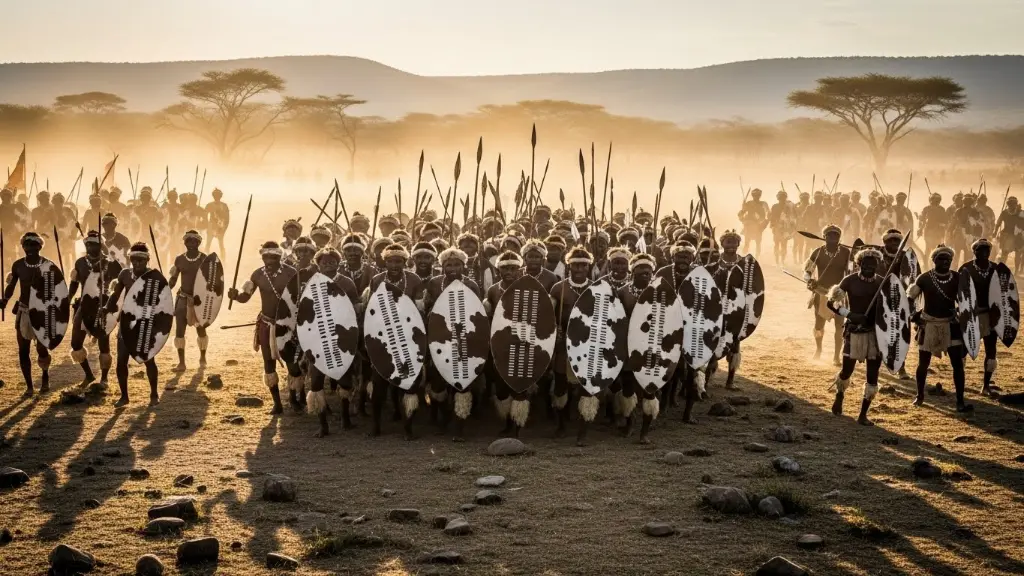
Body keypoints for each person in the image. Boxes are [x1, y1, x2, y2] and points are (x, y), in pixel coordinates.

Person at [227, 240, 300, 415]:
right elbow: (246, 297)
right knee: (269, 364)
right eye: (266, 256)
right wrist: (235, 296)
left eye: (273, 256)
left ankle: (293, 399)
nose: (269, 259)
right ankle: (277, 404)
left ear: (279, 256)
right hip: (266, 324)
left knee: (292, 363)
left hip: (287, 324)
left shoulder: (291, 273)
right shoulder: (257, 275)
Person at [364, 243, 423, 439]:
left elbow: (420, 311)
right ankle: (375, 424)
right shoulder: (376, 280)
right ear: (385, 261)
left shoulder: (414, 280)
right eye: (390, 261)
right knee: (379, 383)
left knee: (409, 384)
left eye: (398, 261)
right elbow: (371, 310)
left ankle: (408, 427)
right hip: (382, 338)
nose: (394, 265)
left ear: (405, 262)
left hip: (408, 338)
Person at [304, 246, 360, 437]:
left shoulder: (347, 283)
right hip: (318, 339)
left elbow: (356, 309)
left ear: (339, 262)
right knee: (317, 381)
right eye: (324, 262)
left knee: (344, 379)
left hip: (342, 338)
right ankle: (323, 425)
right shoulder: (311, 283)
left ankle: (345, 418)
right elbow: (304, 314)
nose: (329, 264)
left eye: (332, 261)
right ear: (317, 264)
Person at [908, 245, 971, 411]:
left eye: (948, 259)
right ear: (933, 260)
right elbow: (910, 299)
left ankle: (959, 401)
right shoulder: (924, 279)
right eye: (941, 259)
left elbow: (966, 300)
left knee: (957, 364)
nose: (945, 262)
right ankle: (920, 396)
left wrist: (960, 313)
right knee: (923, 363)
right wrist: (915, 316)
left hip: (951, 324)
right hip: (928, 323)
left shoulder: (957, 278)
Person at [826, 247, 884, 426]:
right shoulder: (849, 281)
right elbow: (831, 303)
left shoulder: (882, 283)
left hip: (875, 334)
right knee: (846, 371)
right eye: (866, 265)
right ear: (859, 264)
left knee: (872, 376)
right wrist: (850, 315)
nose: (869, 268)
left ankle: (863, 414)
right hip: (854, 330)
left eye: (873, 265)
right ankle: (839, 395)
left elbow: (893, 308)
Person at [104, 242, 163, 406]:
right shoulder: (124, 274)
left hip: (145, 322)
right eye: (133, 260)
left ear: (147, 260)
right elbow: (115, 295)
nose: (136, 264)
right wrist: (107, 307)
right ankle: (124, 397)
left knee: (148, 359)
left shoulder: (154, 276)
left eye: (140, 261)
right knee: (121, 360)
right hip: (126, 322)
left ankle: (154, 394)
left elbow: (162, 301)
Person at [550, 246, 595, 445]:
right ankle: (561, 425)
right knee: (561, 387)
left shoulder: (596, 289)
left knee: (587, 389)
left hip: (588, 345)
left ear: (588, 266)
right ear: (569, 265)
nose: (579, 268)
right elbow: (548, 317)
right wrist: (555, 330)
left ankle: (583, 431)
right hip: (564, 345)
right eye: (575, 264)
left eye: (583, 265)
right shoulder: (558, 289)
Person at [0, 232, 54, 396]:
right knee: (23, 350)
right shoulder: (18, 265)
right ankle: (29, 386)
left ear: (40, 246)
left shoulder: (47, 265)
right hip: (23, 310)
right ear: (22, 246)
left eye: (33, 244)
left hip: (42, 311)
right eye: (27, 245)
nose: (30, 248)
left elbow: (54, 289)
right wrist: (5, 299)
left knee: (41, 349)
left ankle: (45, 376)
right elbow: (11, 285)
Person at [614, 252, 660, 443]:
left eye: (648, 270)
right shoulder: (623, 292)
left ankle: (645, 431)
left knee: (650, 389)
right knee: (628, 388)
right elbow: (615, 320)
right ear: (632, 271)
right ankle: (630, 423)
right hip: (628, 346)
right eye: (640, 269)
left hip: (653, 347)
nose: (645, 273)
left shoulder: (661, 291)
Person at [67, 230, 120, 388]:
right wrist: (67, 299)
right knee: (76, 343)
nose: (90, 247)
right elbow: (74, 284)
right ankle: (89, 376)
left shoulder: (111, 263)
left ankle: (104, 379)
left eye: (94, 244)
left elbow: (120, 285)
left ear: (100, 245)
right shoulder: (80, 263)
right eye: (88, 244)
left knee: (104, 345)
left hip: (103, 307)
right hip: (84, 306)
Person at [804, 224, 853, 365]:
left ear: (839, 238)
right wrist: (810, 281)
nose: (833, 238)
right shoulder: (818, 252)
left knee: (839, 325)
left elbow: (850, 272)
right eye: (830, 235)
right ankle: (818, 349)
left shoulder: (845, 253)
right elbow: (806, 272)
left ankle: (836, 356)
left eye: (836, 235)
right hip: (820, 291)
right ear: (824, 237)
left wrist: (846, 287)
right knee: (819, 325)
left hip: (839, 293)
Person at [959, 239, 1000, 396]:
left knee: (991, 351)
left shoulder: (996, 269)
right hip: (970, 316)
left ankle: (986, 386)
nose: (983, 253)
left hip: (990, 317)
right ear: (973, 251)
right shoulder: (966, 269)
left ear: (990, 252)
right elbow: (959, 292)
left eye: (986, 250)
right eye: (979, 250)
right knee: (964, 350)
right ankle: (960, 382)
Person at [167, 230, 212, 372]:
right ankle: (181, 363)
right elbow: (174, 279)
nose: (191, 244)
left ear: (199, 243)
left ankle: (203, 358)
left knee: (201, 329)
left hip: (198, 300)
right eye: (188, 241)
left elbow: (210, 281)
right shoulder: (179, 259)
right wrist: (167, 286)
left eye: (194, 241)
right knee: (179, 331)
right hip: (183, 297)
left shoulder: (204, 259)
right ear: (185, 243)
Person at [737, 188, 769, 257]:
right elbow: (741, 213)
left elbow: (767, 213)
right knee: (747, 243)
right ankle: (744, 256)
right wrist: (743, 210)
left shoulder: (763, 204)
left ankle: (757, 258)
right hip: (749, 225)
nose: (756, 197)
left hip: (758, 226)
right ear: (753, 195)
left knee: (758, 243)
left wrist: (764, 222)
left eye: (758, 195)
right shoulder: (748, 203)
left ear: (760, 196)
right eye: (755, 195)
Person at [204, 188, 230, 256]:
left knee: (220, 245)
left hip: (220, 227)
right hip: (212, 226)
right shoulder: (210, 205)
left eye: (217, 195)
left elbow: (227, 218)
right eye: (215, 195)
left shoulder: (224, 206)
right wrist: (207, 226)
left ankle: (223, 260)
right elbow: (205, 216)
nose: (216, 197)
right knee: (208, 244)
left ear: (220, 196)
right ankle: (205, 259)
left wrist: (224, 228)